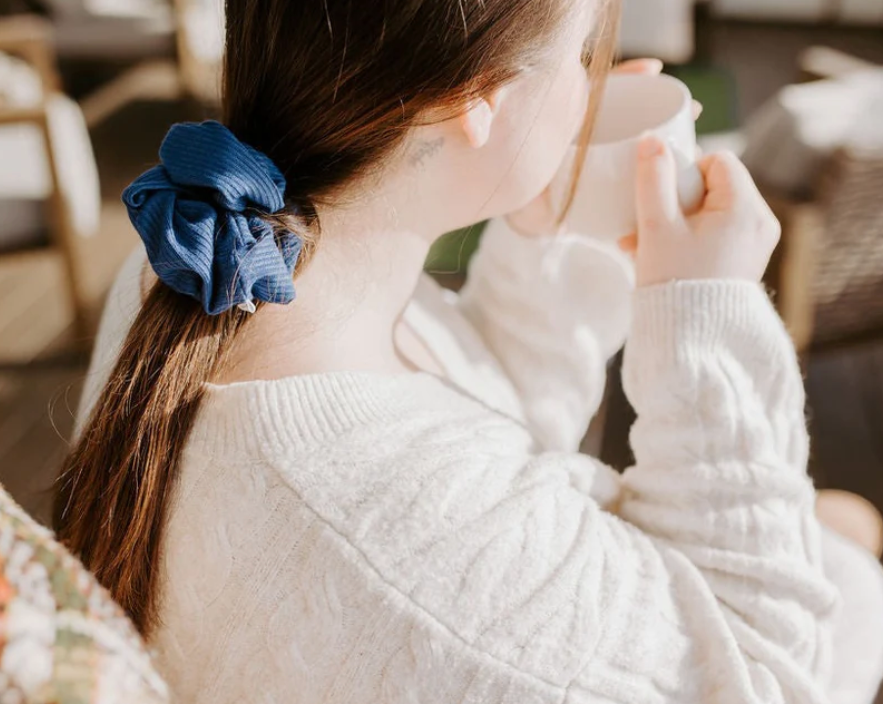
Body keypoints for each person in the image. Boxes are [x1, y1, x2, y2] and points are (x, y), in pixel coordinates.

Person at [54, 0, 883, 701]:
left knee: (843, 526)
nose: (591, 90)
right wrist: (709, 317)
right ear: (475, 101)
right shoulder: (400, 537)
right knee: (853, 546)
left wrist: (546, 227)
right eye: (585, 54)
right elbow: (770, 675)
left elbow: (473, 423)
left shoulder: (209, 260)